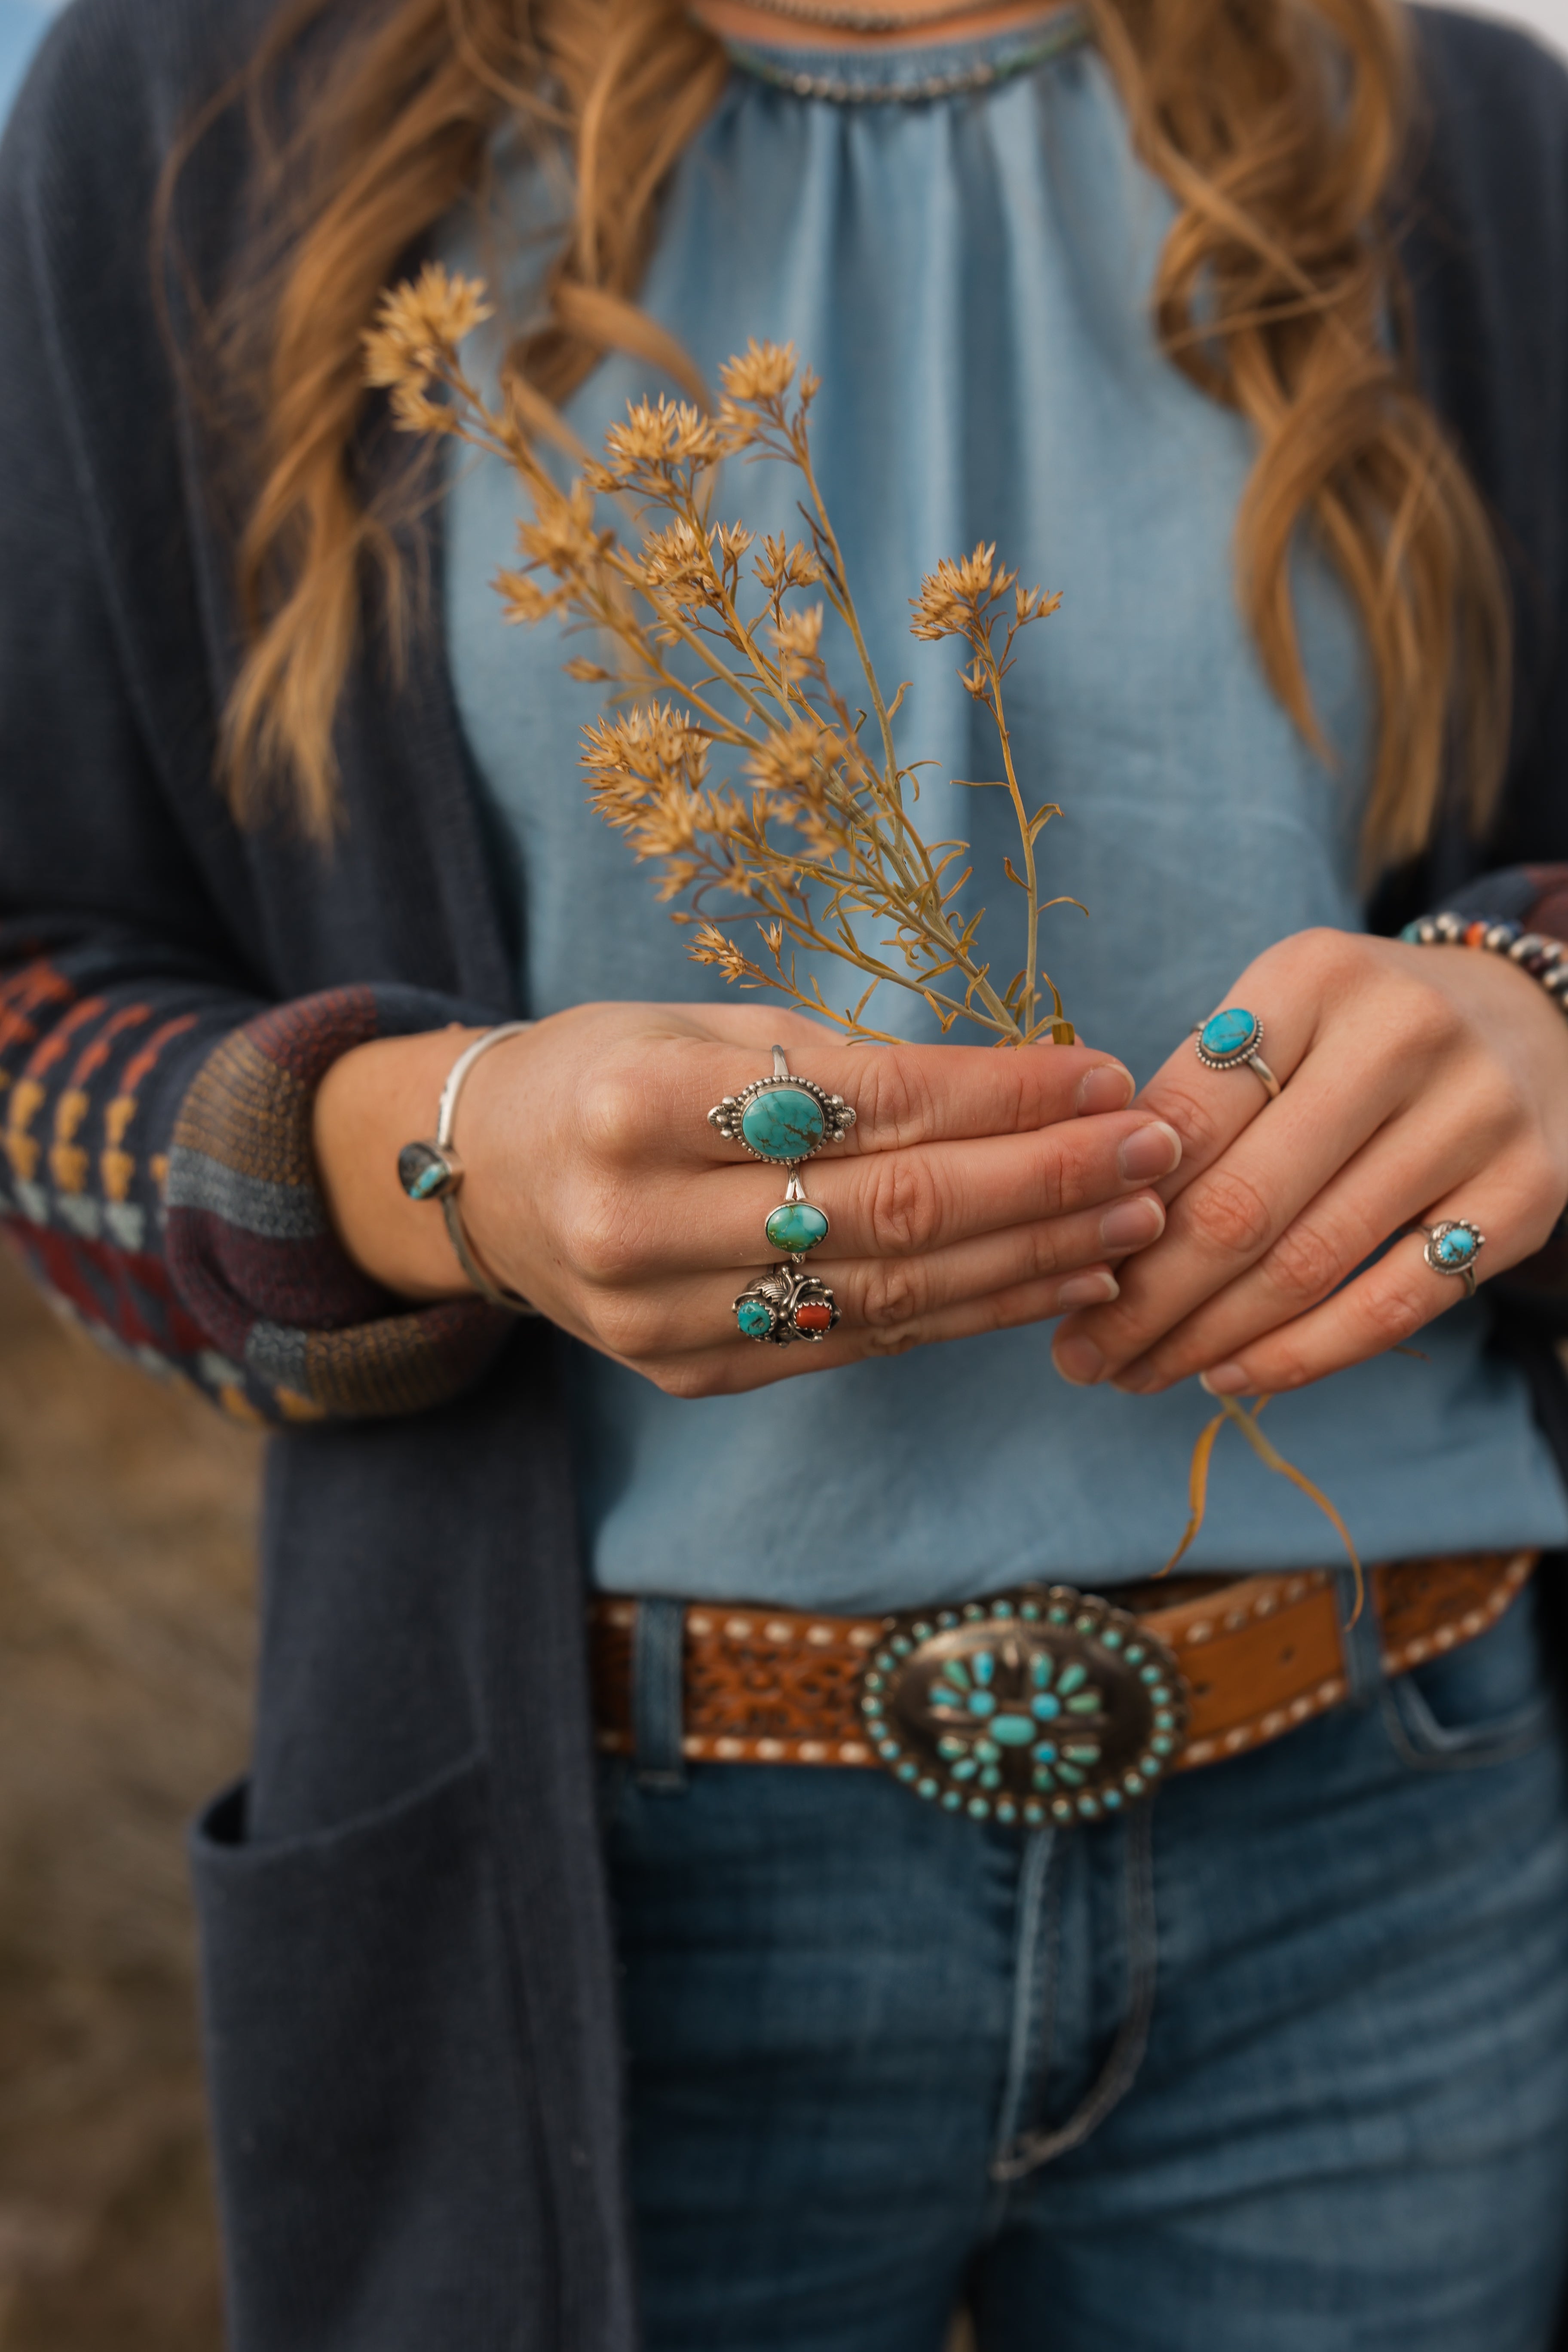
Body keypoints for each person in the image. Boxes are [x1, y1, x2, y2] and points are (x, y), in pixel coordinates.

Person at [2, 0, 1568, 2339]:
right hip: (601, 1877)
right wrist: (429, 1156)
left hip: (1394, 1815)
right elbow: (42, 989)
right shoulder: (197, 113)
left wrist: (1535, 999)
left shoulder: (1455, 122)